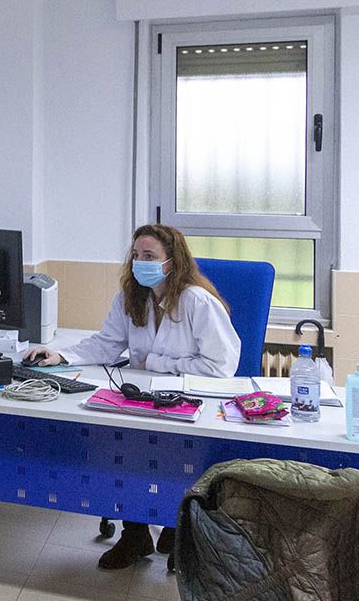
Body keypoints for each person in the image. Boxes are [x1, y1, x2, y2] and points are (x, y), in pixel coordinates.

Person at [25, 224, 241, 571]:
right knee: (122, 447)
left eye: (150, 256)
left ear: (172, 262)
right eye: (137, 255)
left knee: (173, 457)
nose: (141, 263)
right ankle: (135, 534)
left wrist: (156, 363)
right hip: (143, 398)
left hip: (189, 404)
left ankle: (177, 529)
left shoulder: (197, 302)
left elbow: (221, 366)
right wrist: (61, 355)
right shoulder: (130, 297)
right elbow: (106, 344)